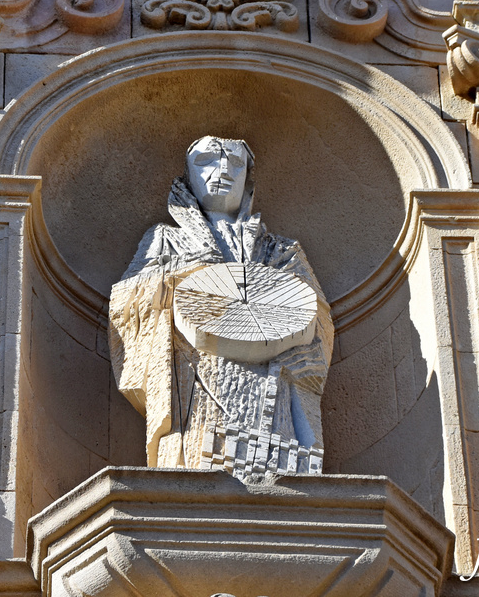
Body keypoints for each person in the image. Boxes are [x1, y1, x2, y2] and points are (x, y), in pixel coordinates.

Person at [108, 136, 333, 473]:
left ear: (248, 179)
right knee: (199, 464)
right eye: (207, 161)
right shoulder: (165, 239)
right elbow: (125, 307)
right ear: (188, 177)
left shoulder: (280, 250)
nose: (223, 169)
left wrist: (310, 354)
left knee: (276, 466)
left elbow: (317, 315)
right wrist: (181, 275)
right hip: (194, 374)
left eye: (236, 163)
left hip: (272, 379)